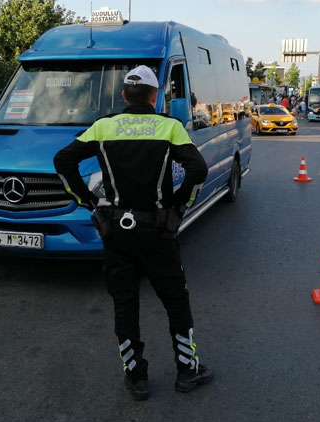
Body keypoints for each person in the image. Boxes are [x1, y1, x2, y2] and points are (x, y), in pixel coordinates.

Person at [54, 65, 213, 401]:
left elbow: (63, 160)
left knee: (125, 305)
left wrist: (89, 202)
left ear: (124, 95)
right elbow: (198, 171)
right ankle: (187, 371)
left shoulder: (103, 127)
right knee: (175, 301)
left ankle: (136, 377)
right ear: (155, 97)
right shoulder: (169, 127)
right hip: (158, 230)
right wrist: (180, 205)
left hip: (116, 232)